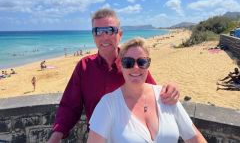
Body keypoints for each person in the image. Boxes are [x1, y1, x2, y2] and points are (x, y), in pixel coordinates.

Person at [48, 8, 180, 142]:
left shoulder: (131, 64)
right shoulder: (84, 67)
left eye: (110, 30)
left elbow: (152, 94)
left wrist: (171, 88)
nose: (104, 37)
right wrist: (56, 136)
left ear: (120, 34)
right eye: (98, 31)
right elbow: (70, 106)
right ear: (93, 36)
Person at [87, 37, 206, 143]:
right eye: (128, 62)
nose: (135, 68)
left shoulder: (166, 96)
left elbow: (194, 138)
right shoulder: (108, 104)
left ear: (148, 65)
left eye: (142, 62)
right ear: (121, 66)